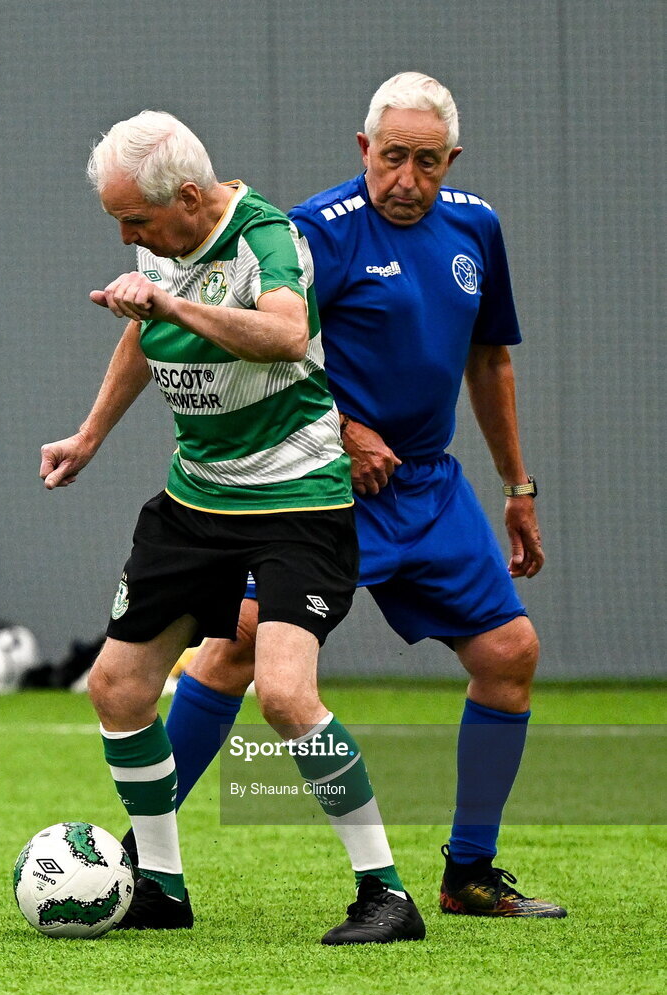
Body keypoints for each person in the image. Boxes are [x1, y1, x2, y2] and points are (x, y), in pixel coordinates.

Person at [151, 74, 567, 920]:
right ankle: (141, 860)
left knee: (509, 656)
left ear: (451, 159)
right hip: (327, 487)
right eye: (390, 158)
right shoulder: (315, 232)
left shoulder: (476, 226)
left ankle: (469, 873)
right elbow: (275, 350)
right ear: (362, 150)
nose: (407, 179)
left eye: (426, 162)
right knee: (232, 648)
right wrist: (345, 430)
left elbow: (491, 361)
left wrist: (517, 487)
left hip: (431, 486)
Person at [39, 110, 426, 945]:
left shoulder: (267, 236)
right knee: (117, 688)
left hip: (297, 503)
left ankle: (387, 894)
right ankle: (163, 890)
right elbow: (147, 335)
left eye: (134, 220)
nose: (125, 234)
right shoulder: (164, 247)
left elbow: (287, 332)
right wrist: (92, 433)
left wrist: (172, 303)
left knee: (286, 695)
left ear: (186, 195)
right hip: (195, 504)